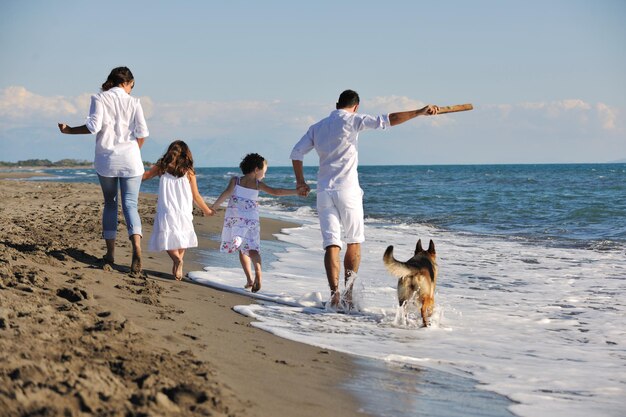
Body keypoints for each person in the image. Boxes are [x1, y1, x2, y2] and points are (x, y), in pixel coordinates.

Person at [290, 89, 438, 308]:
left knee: (331, 244)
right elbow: (389, 120)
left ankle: (334, 296)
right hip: (347, 191)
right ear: (356, 106)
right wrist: (419, 112)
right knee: (353, 242)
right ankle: (348, 296)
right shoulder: (353, 120)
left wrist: (300, 182)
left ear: (336, 104)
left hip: (323, 191)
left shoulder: (317, 127)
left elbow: (296, 152)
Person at [58, 66, 149, 275]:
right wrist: (133, 151)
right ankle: (136, 247)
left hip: (107, 160)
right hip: (131, 160)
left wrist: (69, 130)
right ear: (127, 83)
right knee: (130, 205)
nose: (131, 90)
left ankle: (110, 254)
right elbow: (142, 133)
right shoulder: (135, 102)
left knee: (110, 204)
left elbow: (93, 127)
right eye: (132, 86)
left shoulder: (99, 98)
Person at [212, 153, 302, 292]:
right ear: (256, 170)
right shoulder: (257, 184)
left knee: (242, 249)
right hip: (252, 221)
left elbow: (226, 193)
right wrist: (296, 192)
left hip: (237, 221)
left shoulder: (235, 181)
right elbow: (277, 192)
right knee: (253, 248)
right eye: (264, 172)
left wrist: (214, 208)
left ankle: (249, 279)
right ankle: (258, 272)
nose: (264, 176)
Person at [143, 140, 214, 280]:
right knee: (182, 237)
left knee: (167, 236)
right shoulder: (189, 172)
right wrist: (207, 210)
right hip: (184, 210)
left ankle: (177, 261)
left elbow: (145, 176)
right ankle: (178, 263)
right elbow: (196, 196)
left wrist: (129, 176)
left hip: (167, 208)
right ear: (186, 154)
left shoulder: (161, 167)